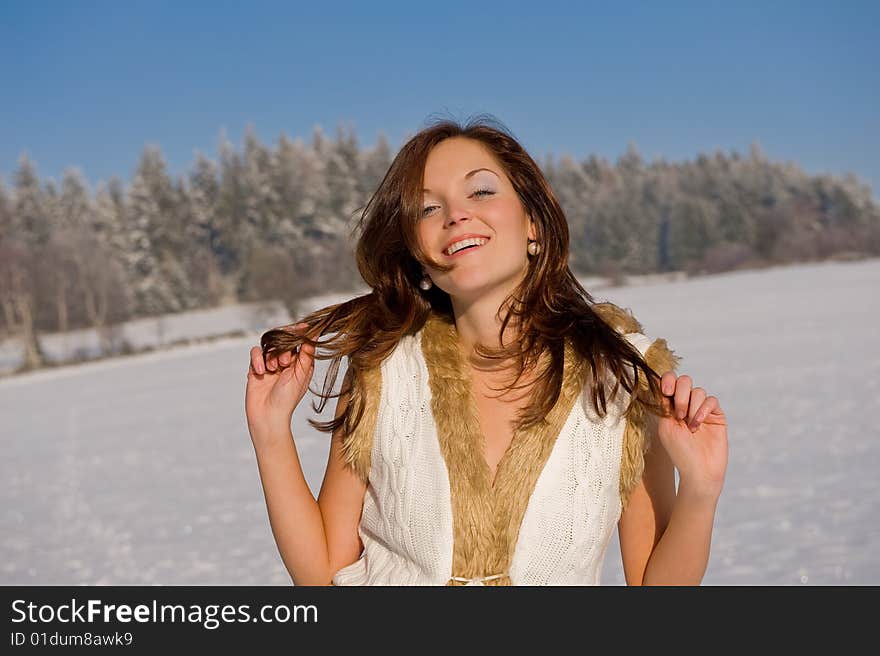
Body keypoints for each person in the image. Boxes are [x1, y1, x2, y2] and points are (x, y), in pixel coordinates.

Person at [244, 116, 728, 586]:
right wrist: (271, 435)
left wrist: (701, 491)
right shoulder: (383, 369)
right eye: (428, 208)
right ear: (420, 257)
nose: (455, 214)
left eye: (481, 191)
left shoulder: (620, 373)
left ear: (533, 223)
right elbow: (322, 572)